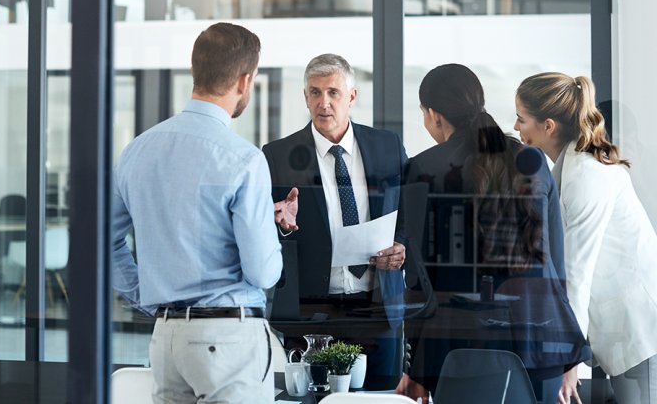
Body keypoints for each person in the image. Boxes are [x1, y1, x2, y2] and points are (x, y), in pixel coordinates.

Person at [111, 22, 283, 403]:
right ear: (244, 81)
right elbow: (262, 272)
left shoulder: (138, 150)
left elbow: (103, 242)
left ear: (195, 72)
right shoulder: (244, 159)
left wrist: (148, 294)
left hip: (166, 338)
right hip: (227, 340)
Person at [397, 64, 589, 404]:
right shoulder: (531, 159)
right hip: (539, 343)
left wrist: (418, 369)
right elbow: (555, 266)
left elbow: (418, 280)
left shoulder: (422, 168)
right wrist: (568, 354)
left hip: (457, 347)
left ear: (433, 115)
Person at [262, 53, 409, 390]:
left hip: (376, 308)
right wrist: (281, 226)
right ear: (305, 97)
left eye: (333, 92)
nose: (323, 102)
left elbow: (410, 215)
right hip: (309, 312)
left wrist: (403, 248)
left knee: (377, 398)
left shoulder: (387, 147)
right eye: (314, 92)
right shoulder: (277, 155)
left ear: (352, 97)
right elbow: (263, 229)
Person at [515, 72, 657, 404]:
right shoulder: (566, 170)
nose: (516, 127)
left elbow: (576, 272)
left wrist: (569, 360)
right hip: (619, 331)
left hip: (640, 331)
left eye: (522, 119)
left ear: (547, 126)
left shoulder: (586, 175)